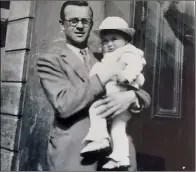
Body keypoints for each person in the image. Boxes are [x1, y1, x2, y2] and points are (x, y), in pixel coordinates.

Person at [37, 1, 151, 171]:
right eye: (73, 21)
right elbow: (63, 104)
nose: (80, 26)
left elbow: (143, 92)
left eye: (85, 21)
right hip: (76, 154)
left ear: (91, 25)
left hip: (114, 153)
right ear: (62, 25)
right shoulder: (50, 60)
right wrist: (103, 76)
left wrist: (132, 97)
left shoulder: (106, 55)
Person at [80, 17, 146, 170]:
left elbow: (135, 66)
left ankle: (100, 138)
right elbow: (100, 71)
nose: (109, 44)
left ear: (126, 41)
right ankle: (120, 158)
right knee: (118, 129)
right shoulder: (107, 57)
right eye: (105, 41)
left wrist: (126, 77)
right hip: (112, 96)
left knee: (97, 110)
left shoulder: (129, 52)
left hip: (122, 93)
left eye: (114, 39)